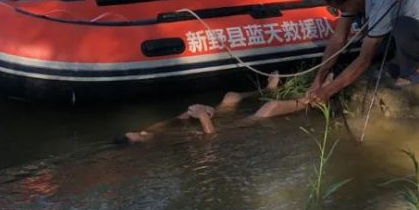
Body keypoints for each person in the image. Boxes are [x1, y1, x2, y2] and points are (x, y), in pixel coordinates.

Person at [118, 71, 313, 142]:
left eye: (139, 132)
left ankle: (267, 88)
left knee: (230, 97)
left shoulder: (152, 131)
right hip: (226, 129)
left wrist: (193, 111)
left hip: (210, 120)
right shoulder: (165, 147)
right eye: (140, 137)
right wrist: (203, 117)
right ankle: (314, 99)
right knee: (270, 108)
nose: (143, 133)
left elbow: (177, 119)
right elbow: (211, 140)